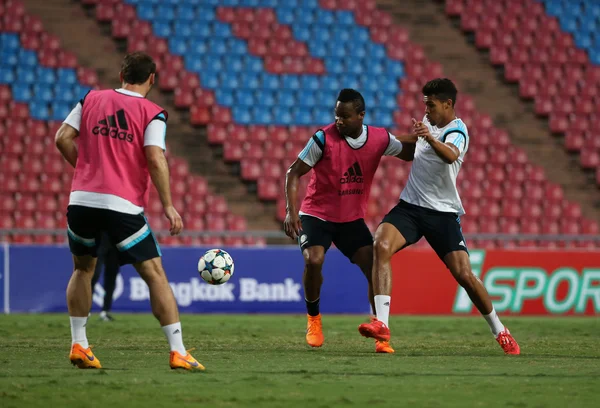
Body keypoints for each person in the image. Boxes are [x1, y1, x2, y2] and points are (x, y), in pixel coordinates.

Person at [55, 52, 204, 370]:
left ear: (122, 73)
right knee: (155, 275)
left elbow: (62, 138)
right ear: (152, 78)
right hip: (121, 204)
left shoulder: (91, 98)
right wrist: (168, 205)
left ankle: (79, 344)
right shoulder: (152, 112)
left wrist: (85, 170)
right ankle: (178, 351)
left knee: (83, 270)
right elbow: (154, 157)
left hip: (81, 200)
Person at [358, 78, 520, 355]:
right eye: (425, 105)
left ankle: (500, 330)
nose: (427, 110)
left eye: (431, 105)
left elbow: (449, 155)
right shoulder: (428, 122)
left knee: (465, 275)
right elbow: (414, 148)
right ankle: (381, 325)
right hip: (410, 207)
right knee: (380, 245)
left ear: (448, 104)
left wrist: (429, 136)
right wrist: (380, 142)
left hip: (442, 214)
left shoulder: (458, 131)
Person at [284, 88, 416, 354]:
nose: (339, 121)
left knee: (374, 268)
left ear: (361, 115)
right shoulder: (322, 138)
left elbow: (406, 152)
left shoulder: (379, 138)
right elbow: (293, 173)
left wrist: (428, 139)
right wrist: (291, 211)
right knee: (314, 260)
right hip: (316, 214)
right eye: (336, 115)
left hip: (350, 219)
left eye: (344, 116)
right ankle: (314, 320)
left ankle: (381, 332)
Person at [90, 232, 120, 322]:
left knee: (111, 279)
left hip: (115, 243)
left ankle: (105, 311)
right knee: (93, 277)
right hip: (99, 241)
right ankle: (85, 309)